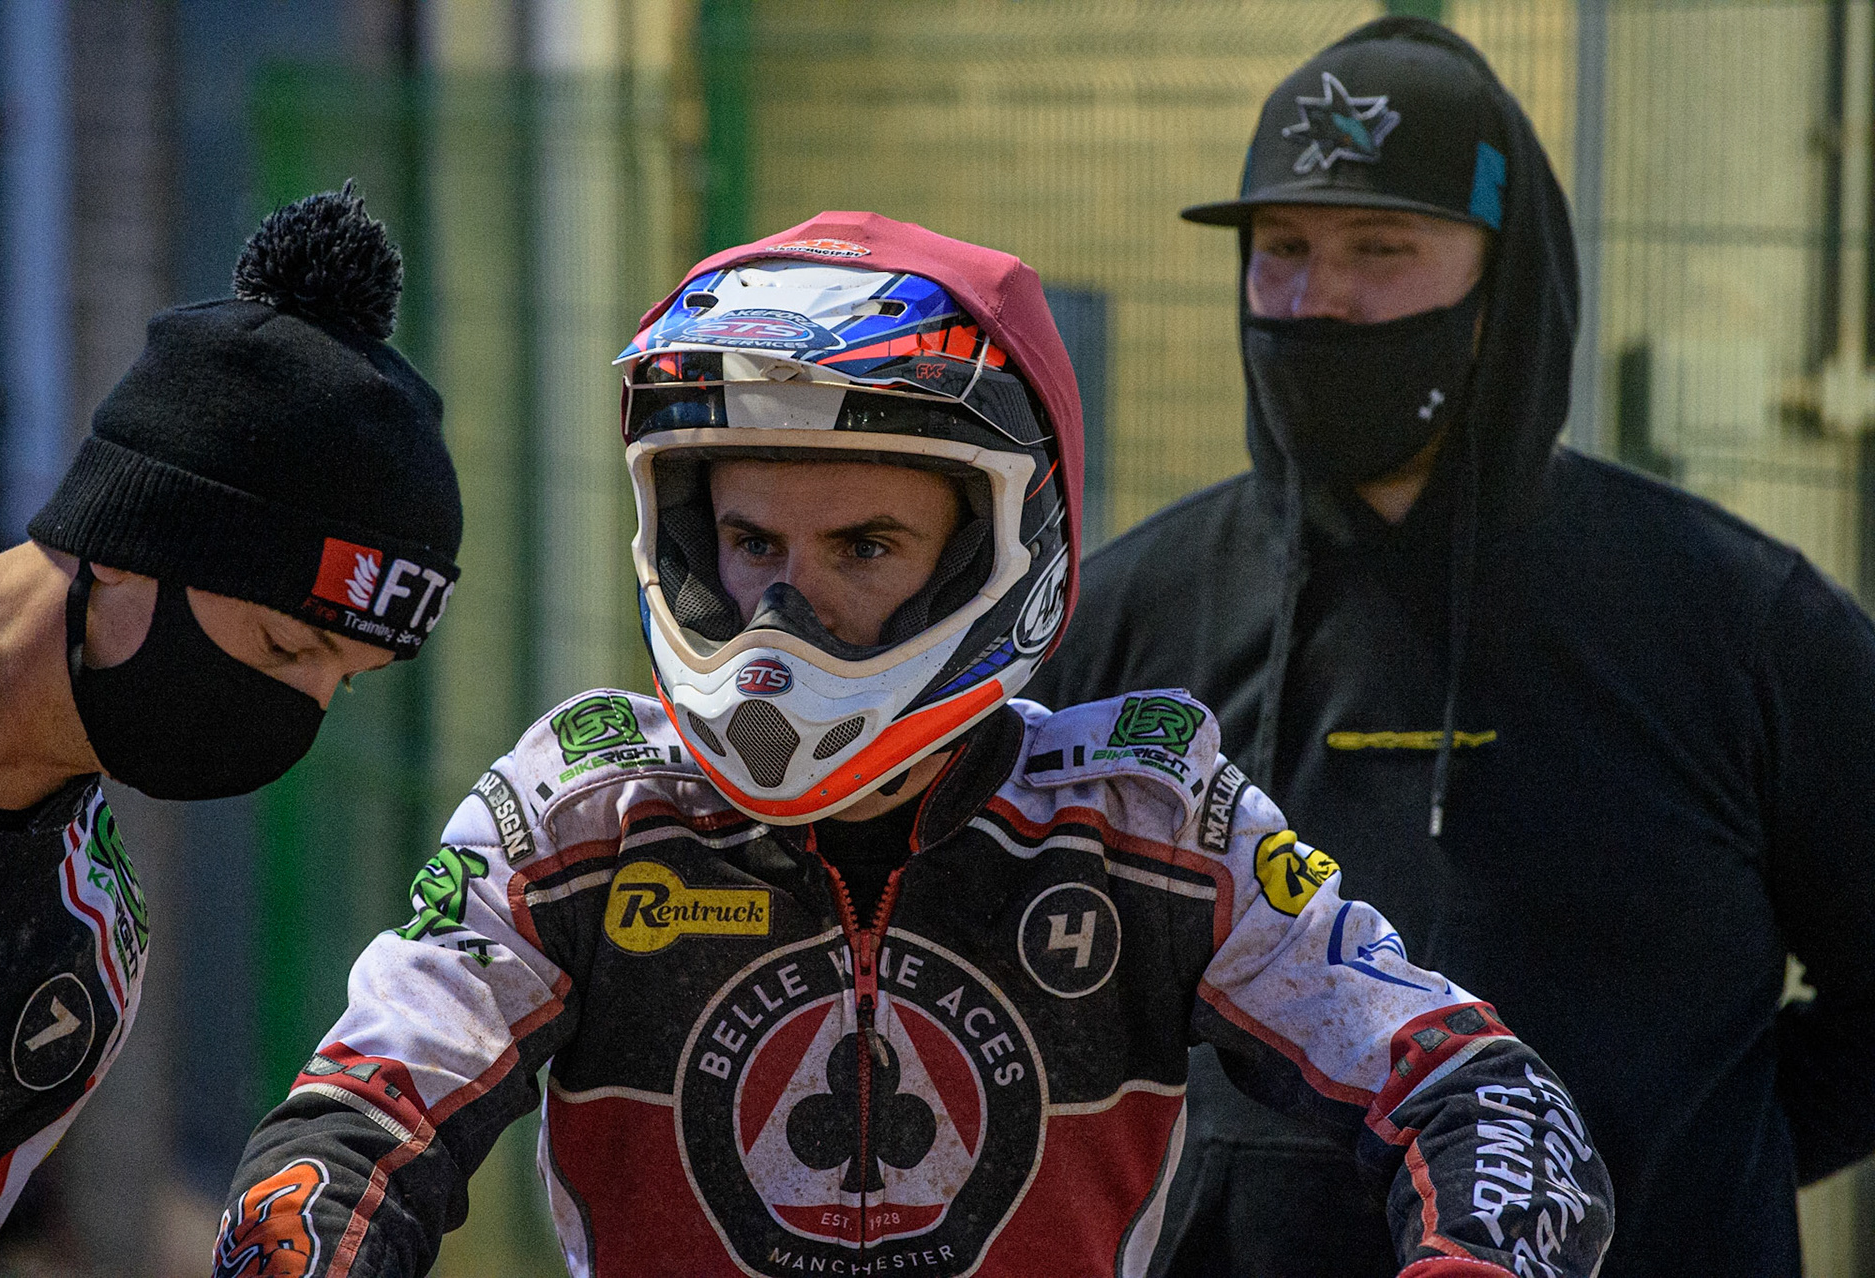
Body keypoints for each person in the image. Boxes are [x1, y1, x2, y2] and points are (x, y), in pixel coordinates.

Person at [212, 212, 1610, 1278]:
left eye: (863, 545)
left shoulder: (1148, 815)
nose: (784, 604)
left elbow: (1477, 1085)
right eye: (750, 540)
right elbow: (356, 1119)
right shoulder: (579, 810)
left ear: (1004, 553)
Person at [1033, 15, 1875, 1278]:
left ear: (1504, 285)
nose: (1319, 299)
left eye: (1383, 250)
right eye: (1283, 251)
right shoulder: (1123, 627)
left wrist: (1695, 1160)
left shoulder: (1738, 622)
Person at [0, 184, 463, 1271]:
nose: (303, 711)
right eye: (288, 650)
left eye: (348, 678)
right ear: (136, 535)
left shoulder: (80, 958)